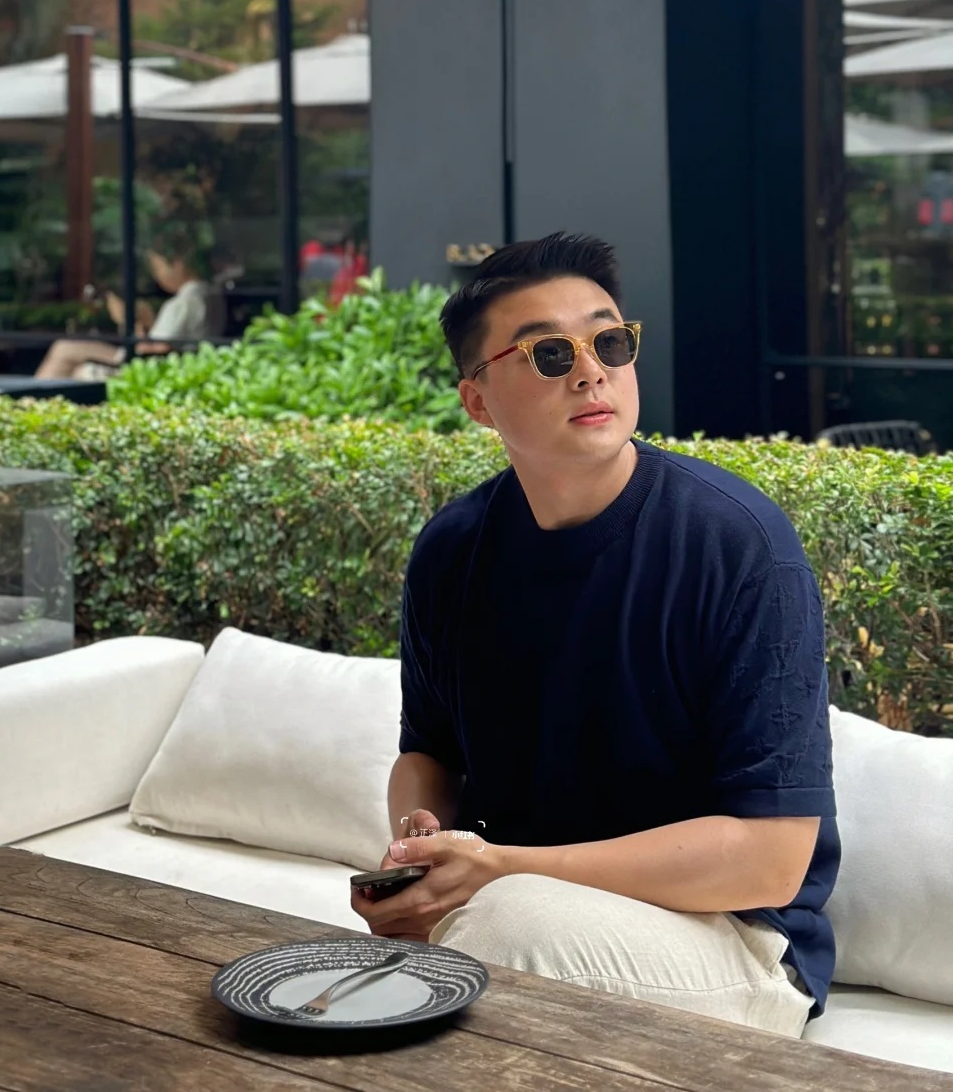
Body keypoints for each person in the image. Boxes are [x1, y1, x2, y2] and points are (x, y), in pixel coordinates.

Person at [352, 232, 838, 1038]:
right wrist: (422, 845)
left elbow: (772, 857)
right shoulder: (453, 550)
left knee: (497, 931)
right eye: (549, 353)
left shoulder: (738, 544)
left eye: (609, 342)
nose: (591, 370)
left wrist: (498, 869)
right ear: (477, 400)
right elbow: (428, 753)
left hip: (733, 939)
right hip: (526, 907)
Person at [35, 229, 223, 381]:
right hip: (166, 367)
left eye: (158, 268)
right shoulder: (209, 296)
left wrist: (129, 320)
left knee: (65, 350)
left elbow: (149, 354)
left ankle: (30, 403)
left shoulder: (183, 304)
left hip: (145, 370)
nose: (157, 276)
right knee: (70, 358)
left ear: (177, 264)